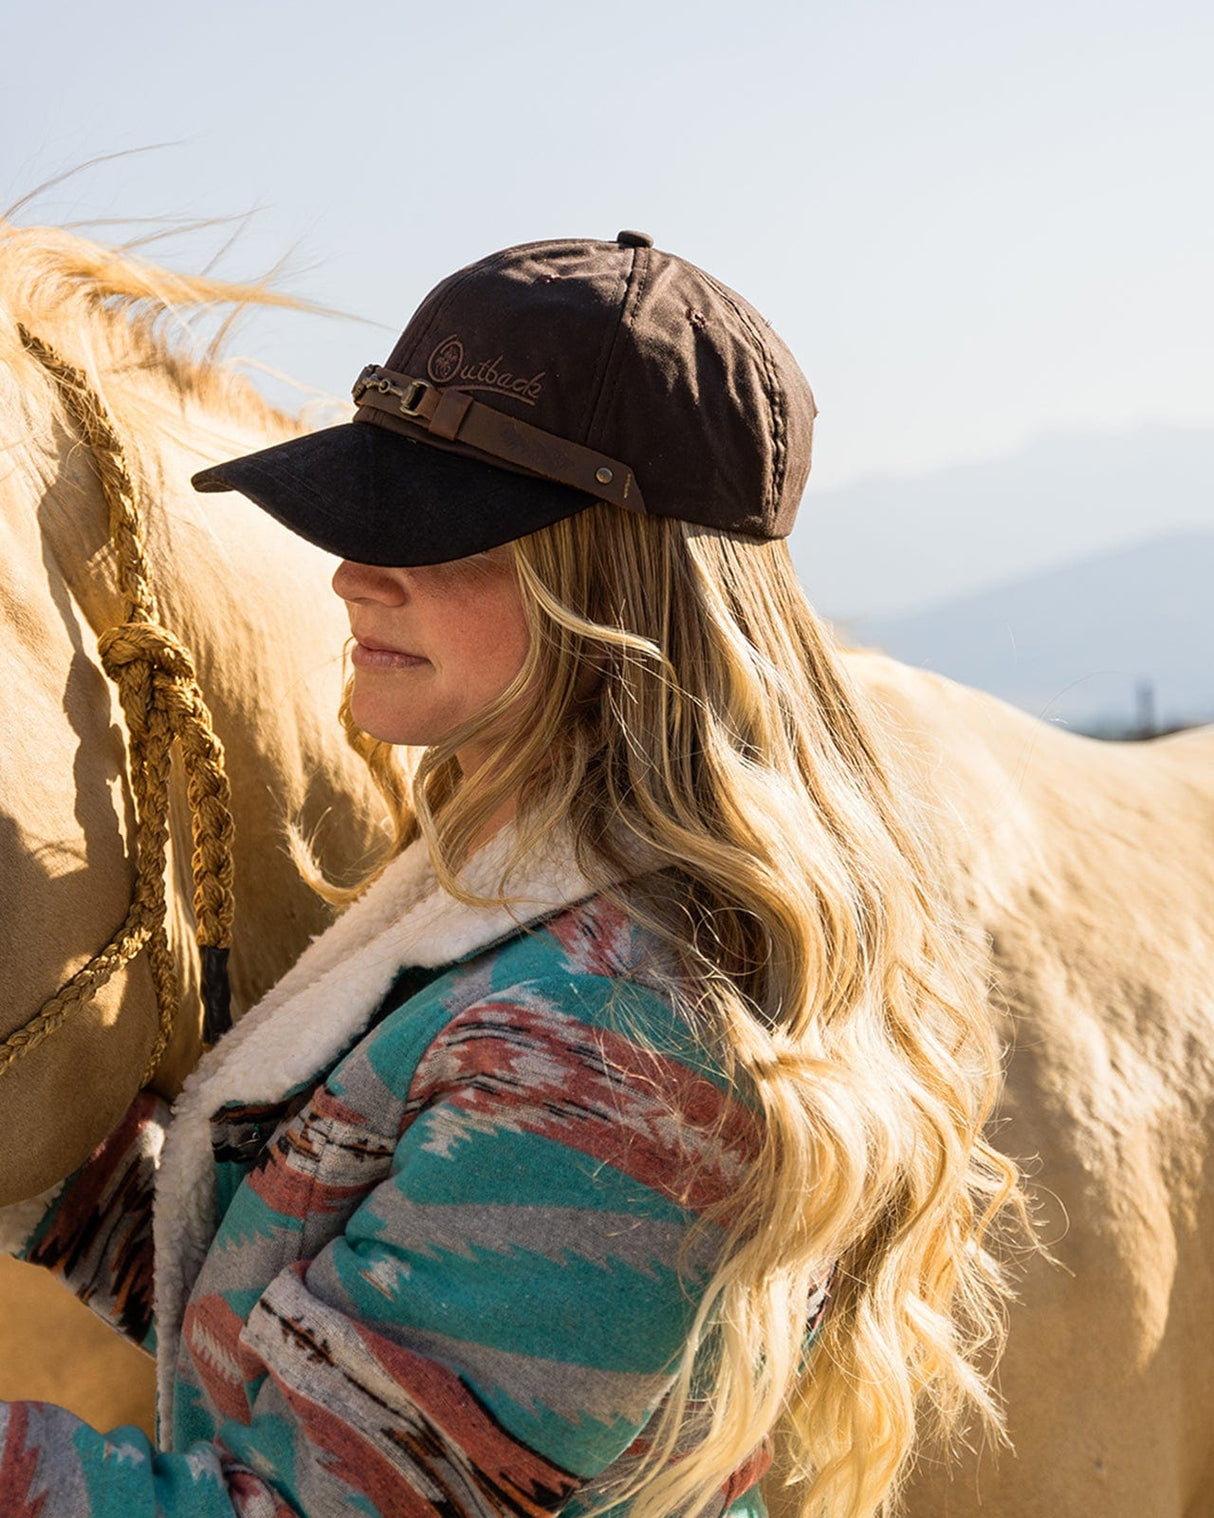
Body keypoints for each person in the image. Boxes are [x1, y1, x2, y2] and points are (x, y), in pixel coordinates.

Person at [0, 231, 1021, 1518]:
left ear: (614, 579)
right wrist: (62, 1170)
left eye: (428, 527)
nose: (351, 572)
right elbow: (327, 1311)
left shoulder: (617, 1047)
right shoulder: (511, 906)